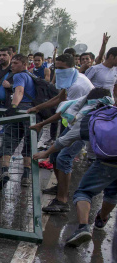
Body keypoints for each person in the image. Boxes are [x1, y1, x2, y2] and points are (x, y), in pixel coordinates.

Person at [31, 88, 114, 246]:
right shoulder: (111, 110)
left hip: (105, 161)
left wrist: (45, 153)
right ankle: (101, 219)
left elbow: (65, 140)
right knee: (112, 193)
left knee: (83, 191)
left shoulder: (89, 114)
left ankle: (81, 224)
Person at [28, 54, 94, 211]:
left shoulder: (78, 85)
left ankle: (62, 201)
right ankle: (60, 188)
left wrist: (41, 124)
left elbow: (64, 112)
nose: (58, 71)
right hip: (74, 122)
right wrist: (38, 107)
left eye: (62, 68)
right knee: (55, 156)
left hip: (84, 125)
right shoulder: (71, 79)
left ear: (72, 67)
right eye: (56, 67)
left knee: (64, 157)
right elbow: (60, 98)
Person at [0, 54, 36, 190]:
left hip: (21, 111)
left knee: (9, 139)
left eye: (16, 63)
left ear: (25, 65)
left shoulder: (19, 76)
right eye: (12, 63)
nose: (12, 65)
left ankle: (5, 171)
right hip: (32, 113)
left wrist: (13, 107)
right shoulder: (31, 76)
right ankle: (26, 176)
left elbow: (19, 91)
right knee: (29, 144)